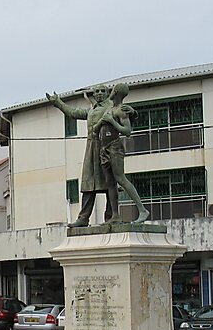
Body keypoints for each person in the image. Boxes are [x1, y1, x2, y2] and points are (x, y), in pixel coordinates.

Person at [46, 84, 114, 226]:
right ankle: (83, 218)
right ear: (94, 95)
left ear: (107, 93)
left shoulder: (112, 107)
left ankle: (111, 217)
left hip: (107, 148)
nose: (100, 93)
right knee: (88, 184)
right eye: (97, 91)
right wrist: (58, 102)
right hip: (91, 149)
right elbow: (73, 113)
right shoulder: (91, 111)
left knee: (110, 184)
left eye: (103, 91)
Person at [96, 83, 149, 224]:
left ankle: (143, 210)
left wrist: (112, 121)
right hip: (104, 148)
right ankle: (115, 215)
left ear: (116, 91)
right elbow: (97, 127)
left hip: (114, 147)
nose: (110, 92)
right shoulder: (109, 108)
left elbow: (127, 131)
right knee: (110, 183)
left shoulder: (122, 110)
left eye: (112, 90)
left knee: (120, 178)